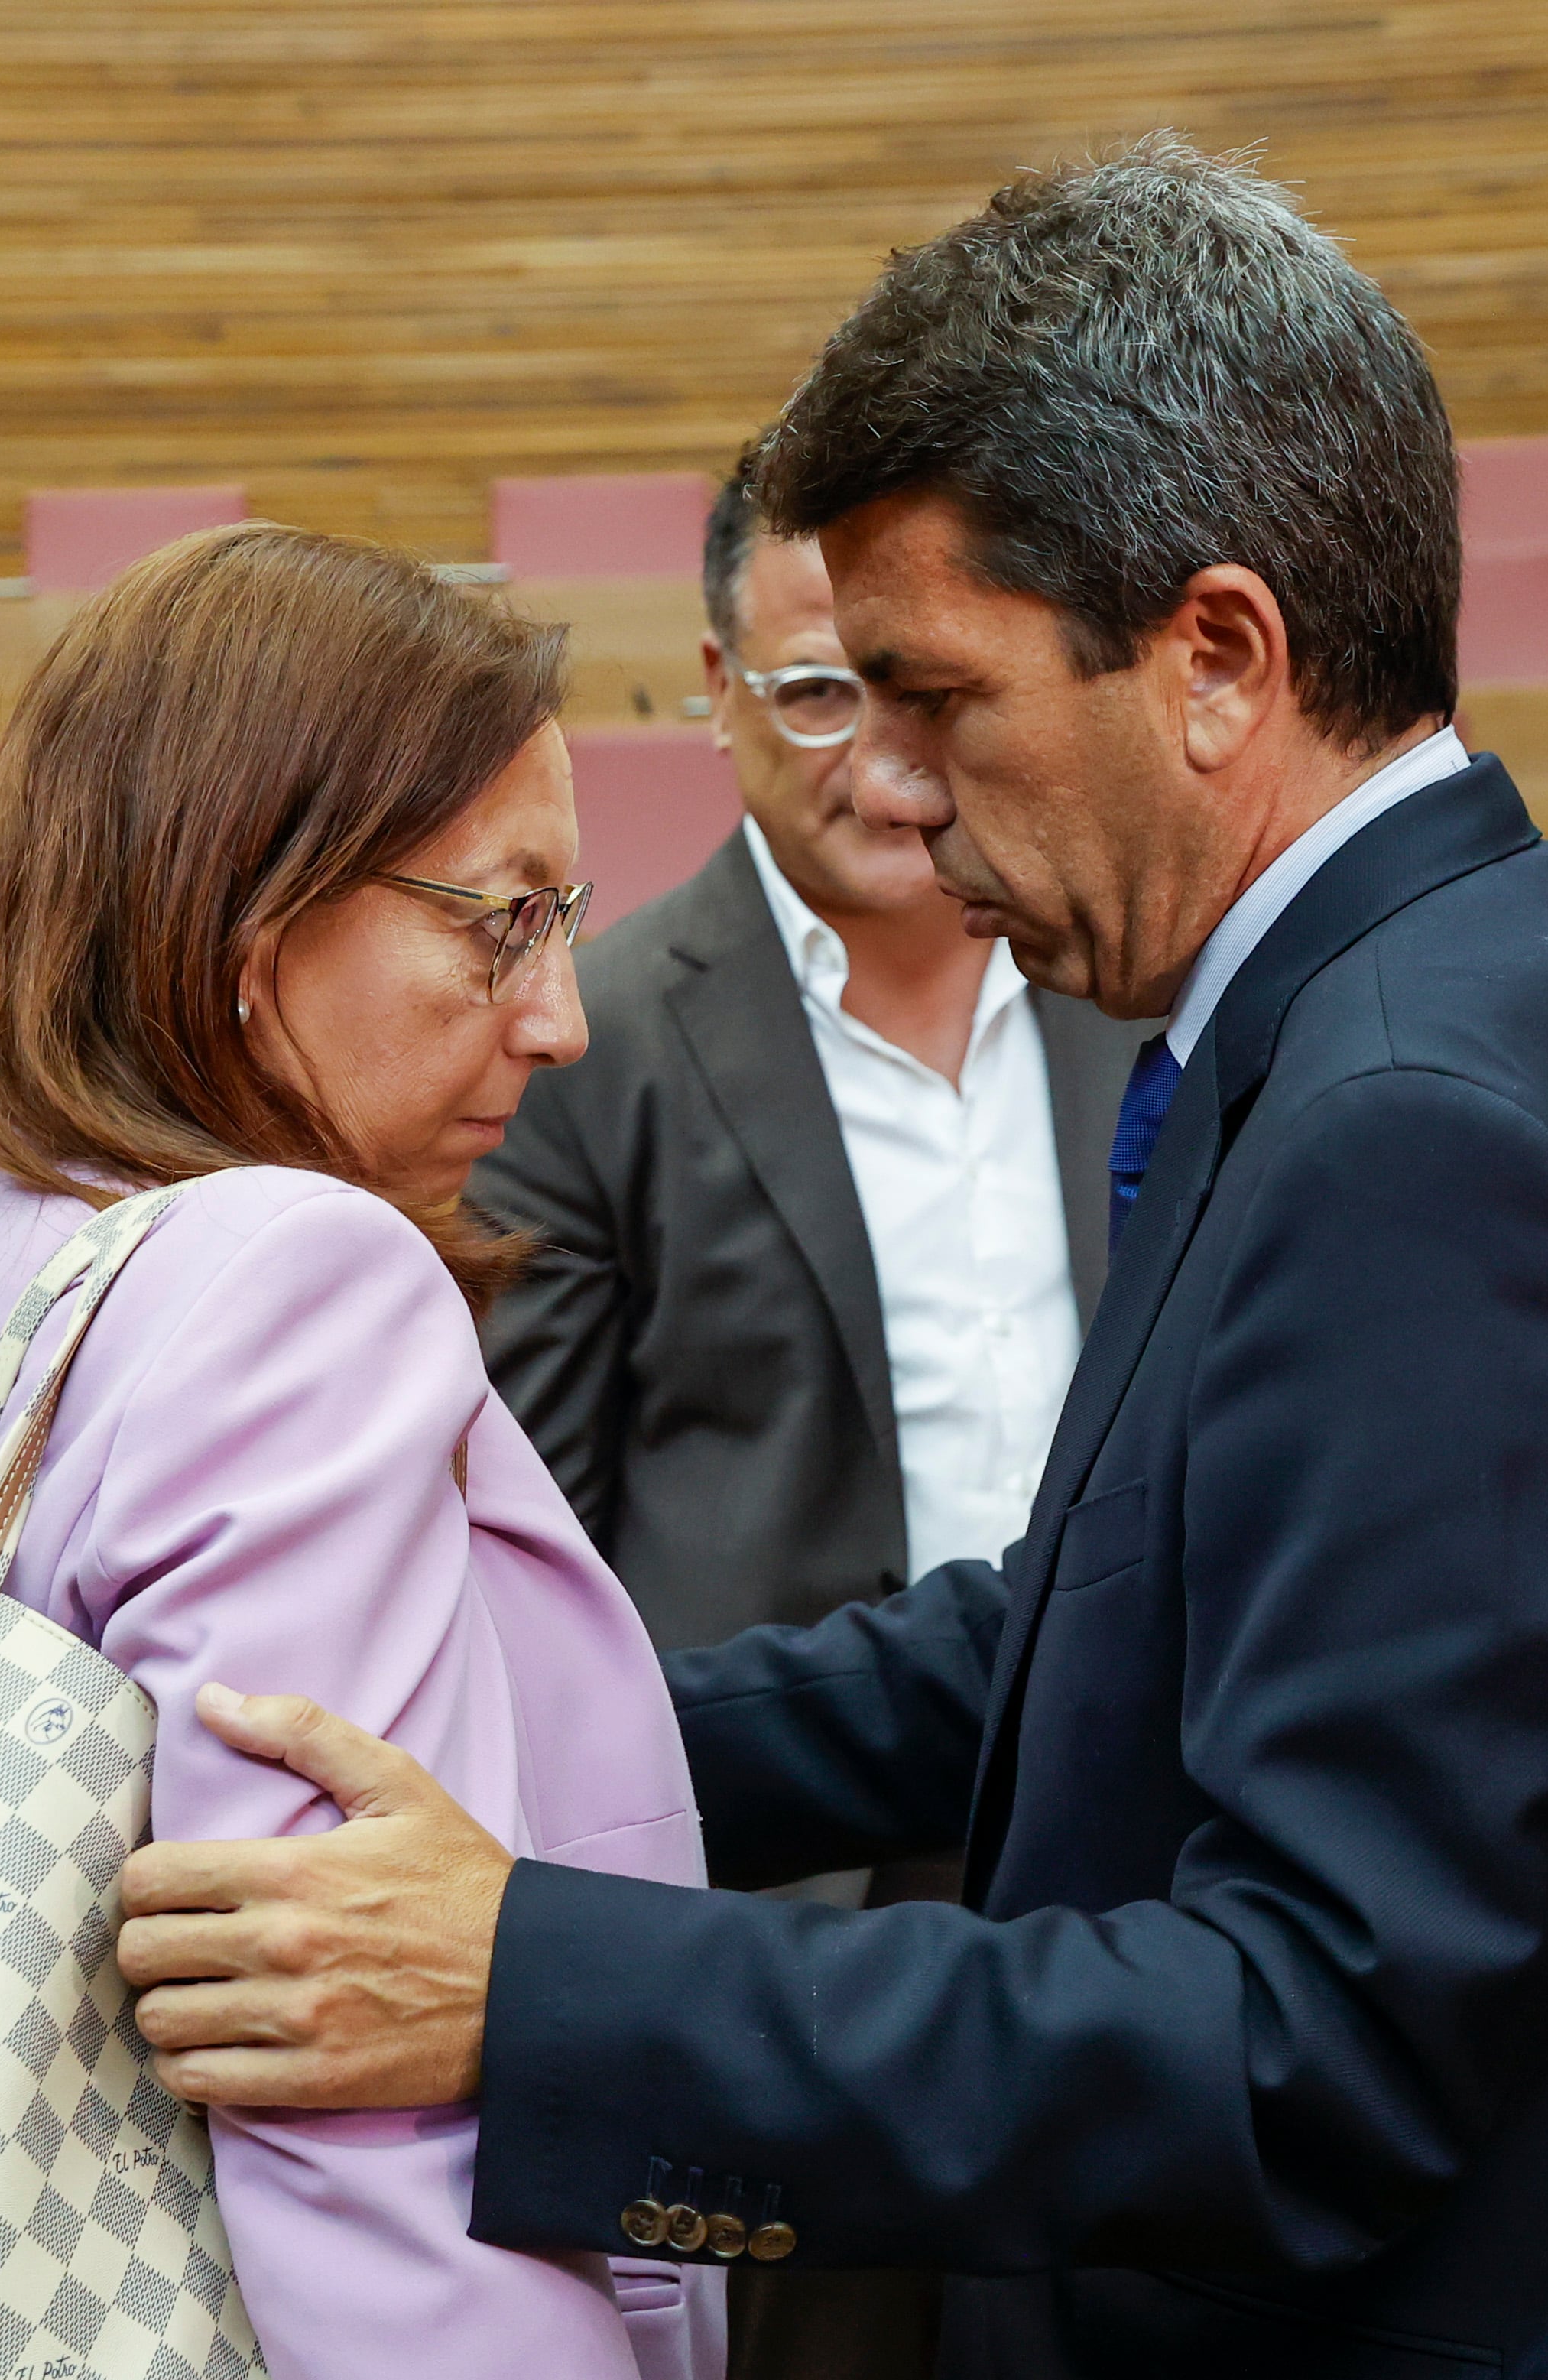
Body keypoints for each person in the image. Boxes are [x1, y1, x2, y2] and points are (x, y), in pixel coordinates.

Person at [108, 136, 1548, 2378]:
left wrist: (526, 1976)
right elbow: (1096, 1628)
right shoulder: (1405, 1006)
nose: (893, 797)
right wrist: (538, 1748)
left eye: (933, 695)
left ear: (1215, 656)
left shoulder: (1423, 1134)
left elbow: (1296, 2045)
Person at [0, 521, 724, 2380]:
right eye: (497, 917)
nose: (560, 1017)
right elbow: (353, 2087)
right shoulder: (297, 1272)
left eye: (571, 920)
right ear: (238, 916)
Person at [473, 463, 1138, 2380]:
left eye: (912, 697)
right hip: (774, 1885)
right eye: (814, 696)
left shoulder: (1122, 990)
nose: (879, 764)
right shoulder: (590, 1039)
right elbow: (545, 1531)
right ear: (716, 686)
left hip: (1105, 1858)